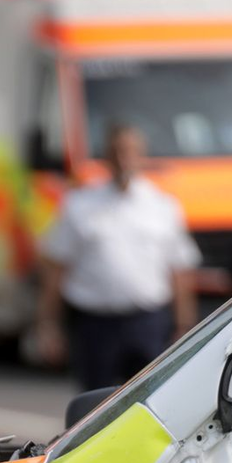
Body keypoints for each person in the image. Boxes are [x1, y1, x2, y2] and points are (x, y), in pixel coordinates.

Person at [37, 122, 199, 391]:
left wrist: (184, 327)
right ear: (106, 157)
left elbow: (180, 270)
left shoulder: (162, 205)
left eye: (131, 152)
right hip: (96, 326)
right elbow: (55, 266)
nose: (124, 160)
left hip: (147, 322)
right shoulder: (80, 204)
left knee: (150, 403)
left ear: (142, 156)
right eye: (117, 152)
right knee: (94, 405)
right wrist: (48, 325)